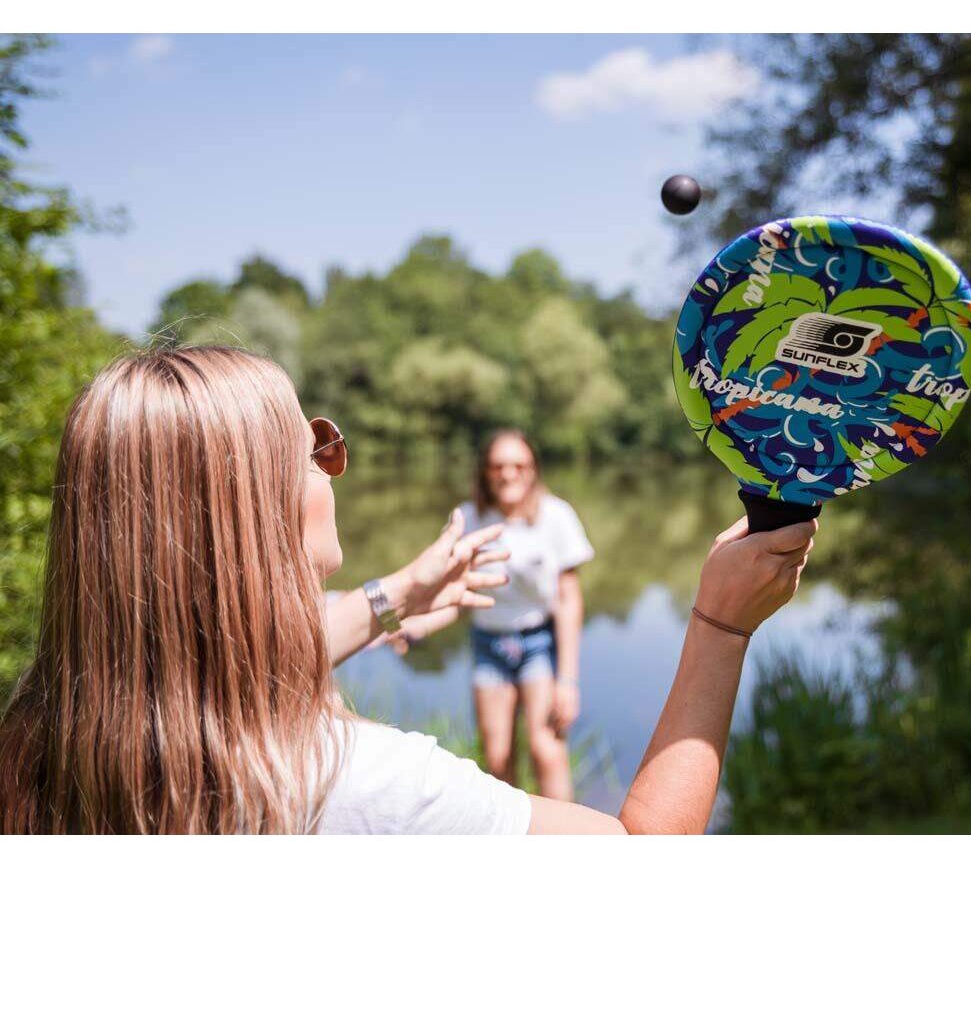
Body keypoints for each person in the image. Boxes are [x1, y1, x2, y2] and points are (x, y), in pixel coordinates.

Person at [0, 346, 817, 834]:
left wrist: (400, 594)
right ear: (256, 505)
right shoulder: (368, 787)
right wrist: (720, 624)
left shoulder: (34, 738)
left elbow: (204, 658)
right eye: (314, 446)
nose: (332, 468)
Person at [460, 429, 591, 800]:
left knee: (546, 750)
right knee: (497, 758)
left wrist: (568, 680)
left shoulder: (556, 516)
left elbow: (569, 600)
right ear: (485, 472)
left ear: (533, 470)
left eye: (519, 465)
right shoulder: (469, 518)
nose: (508, 474)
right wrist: (401, 624)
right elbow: (449, 590)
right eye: (498, 466)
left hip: (539, 642)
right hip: (488, 644)